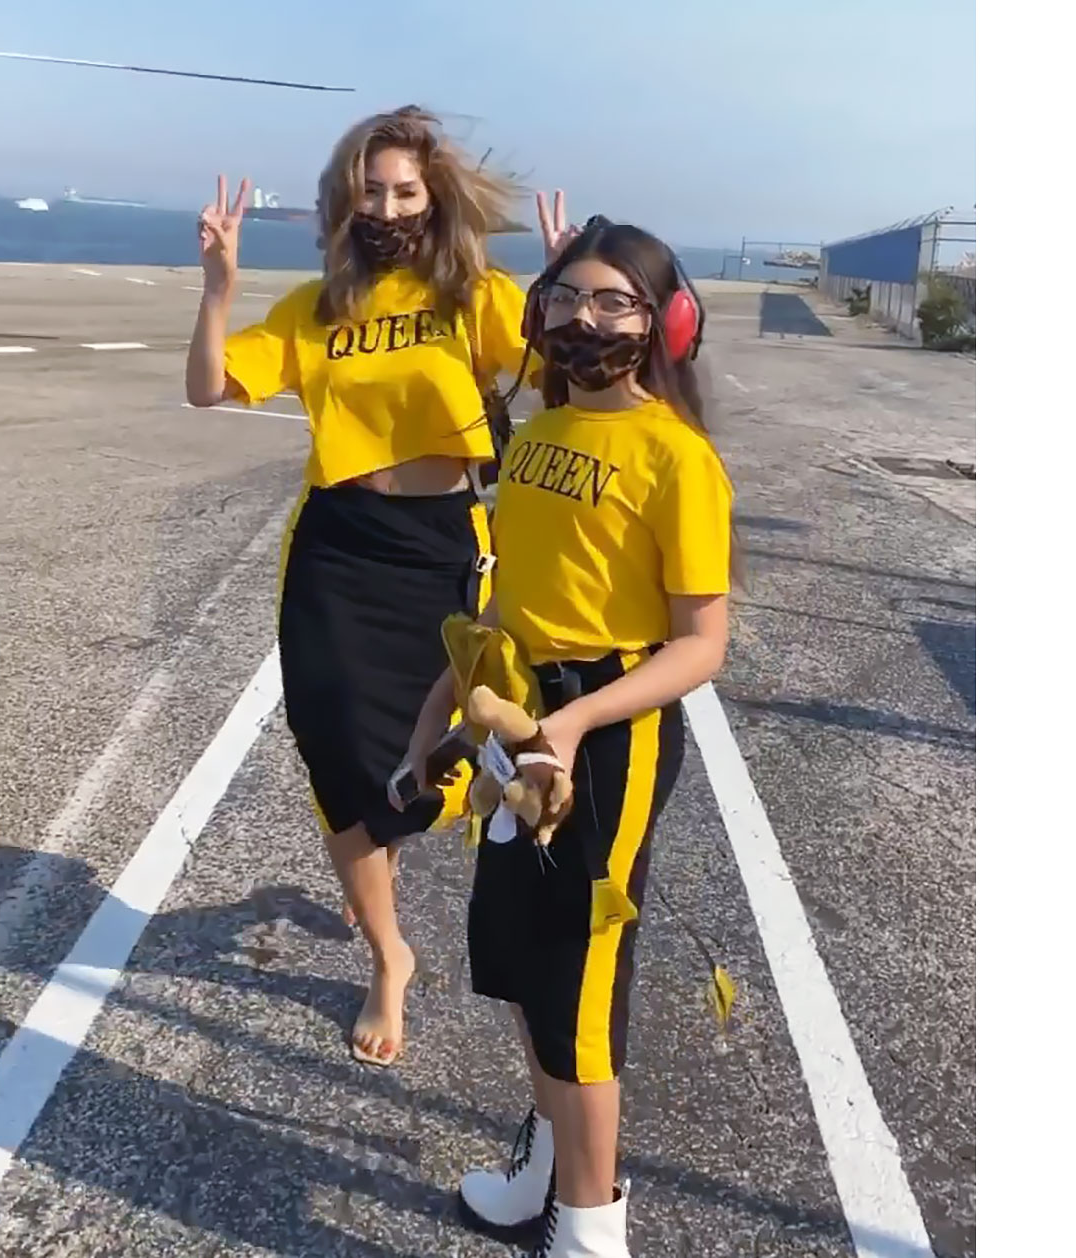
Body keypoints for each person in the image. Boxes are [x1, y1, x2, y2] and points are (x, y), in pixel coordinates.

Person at [185, 106, 568, 1068]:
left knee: (432, 759)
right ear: (343, 199)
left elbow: (559, 372)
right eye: (371, 191)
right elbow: (207, 386)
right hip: (337, 547)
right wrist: (219, 289)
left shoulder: (472, 296)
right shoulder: (314, 309)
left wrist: (563, 290)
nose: (389, 208)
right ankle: (389, 955)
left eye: (406, 192)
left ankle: (383, 853)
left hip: (441, 544)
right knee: (337, 755)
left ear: (433, 200)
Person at [402, 218, 733, 1256]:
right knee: (517, 958)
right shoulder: (541, 435)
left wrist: (579, 720)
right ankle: (550, 1168)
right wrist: (436, 717)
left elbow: (702, 644)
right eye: (566, 297)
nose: (583, 319)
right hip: (521, 724)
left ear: (664, 323)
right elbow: (507, 610)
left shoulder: (677, 458)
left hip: (608, 734)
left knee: (579, 983)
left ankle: (592, 1229)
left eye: (613, 302)